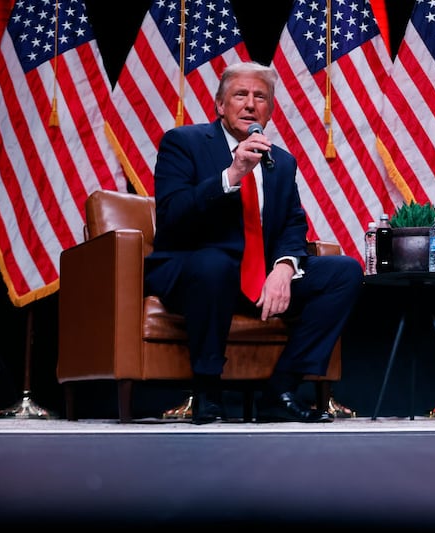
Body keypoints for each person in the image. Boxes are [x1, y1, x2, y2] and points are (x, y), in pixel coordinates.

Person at [144, 61, 363, 424]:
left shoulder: (282, 161)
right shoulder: (184, 142)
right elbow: (172, 215)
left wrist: (283, 267)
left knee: (344, 272)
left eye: (259, 97)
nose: (250, 104)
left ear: (270, 110)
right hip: (195, 271)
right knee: (214, 264)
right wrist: (232, 175)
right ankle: (207, 389)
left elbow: (293, 224)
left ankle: (282, 388)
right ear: (220, 105)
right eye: (240, 95)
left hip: (255, 274)